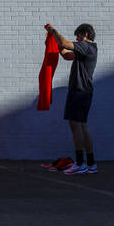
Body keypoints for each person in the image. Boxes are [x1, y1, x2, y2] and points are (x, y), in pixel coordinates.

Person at [45, 23, 99, 175]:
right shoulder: (87, 50)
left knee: (75, 127)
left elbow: (64, 43)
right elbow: (66, 55)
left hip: (79, 92)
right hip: (84, 92)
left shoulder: (87, 47)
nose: (77, 38)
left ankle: (80, 163)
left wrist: (53, 31)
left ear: (86, 34)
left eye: (79, 35)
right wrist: (54, 42)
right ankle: (91, 163)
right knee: (82, 127)